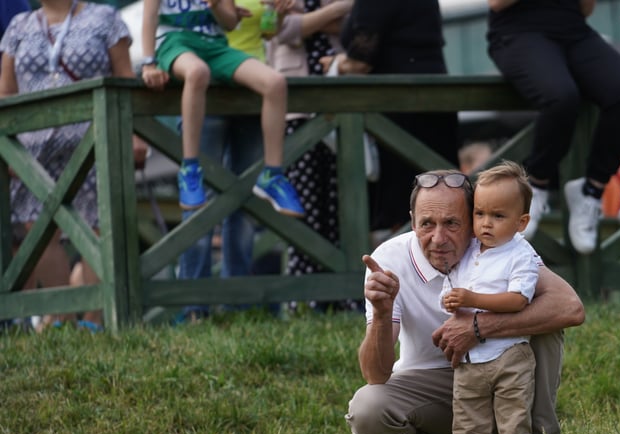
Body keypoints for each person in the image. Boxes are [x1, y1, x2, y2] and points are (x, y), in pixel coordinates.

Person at [346, 165, 586, 434]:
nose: (438, 238)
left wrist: (478, 327)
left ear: (473, 219)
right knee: (366, 410)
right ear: (412, 220)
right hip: (431, 387)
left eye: (451, 223)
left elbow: (569, 308)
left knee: (545, 322)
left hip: (507, 376)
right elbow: (374, 375)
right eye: (426, 224)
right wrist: (380, 314)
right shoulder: (389, 259)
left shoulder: (500, 244)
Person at [0, 0, 147, 331]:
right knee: (37, 230)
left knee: (97, 228)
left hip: (95, 141)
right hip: (32, 150)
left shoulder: (104, 19)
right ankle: (63, 320)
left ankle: (95, 320)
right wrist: (8, 144)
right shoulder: (18, 26)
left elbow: (126, 79)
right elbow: (6, 92)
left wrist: (136, 134)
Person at [485, 0, 620, 253]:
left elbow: (586, 9)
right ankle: (536, 184)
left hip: (573, 29)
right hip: (518, 31)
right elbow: (497, 3)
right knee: (561, 97)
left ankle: (591, 191)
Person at [140, 0, 304, 217]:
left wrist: (216, 5)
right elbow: (149, 17)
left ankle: (272, 175)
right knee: (198, 72)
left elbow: (229, 24)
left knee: (275, 83)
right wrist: (148, 63)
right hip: (175, 42)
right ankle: (190, 168)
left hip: (215, 44)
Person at [440, 161, 540, 434]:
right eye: (479, 213)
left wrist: (471, 300)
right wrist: (451, 299)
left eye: (498, 216)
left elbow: (517, 300)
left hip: (509, 355)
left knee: (514, 421)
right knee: (469, 423)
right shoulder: (469, 249)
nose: (486, 224)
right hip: (470, 361)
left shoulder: (520, 254)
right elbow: (453, 282)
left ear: (521, 222)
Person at [333, 0, 460, 240]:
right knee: (444, 199)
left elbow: (360, 60)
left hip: (399, 106)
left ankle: (409, 273)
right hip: (435, 97)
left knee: (406, 208)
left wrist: (335, 63)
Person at [266, 0, 354, 304]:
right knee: (303, 207)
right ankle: (304, 299)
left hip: (340, 100)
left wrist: (306, 20)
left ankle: (344, 295)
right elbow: (281, 29)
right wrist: (337, 10)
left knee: (341, 203)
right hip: (296, 105)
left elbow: (357, 23)